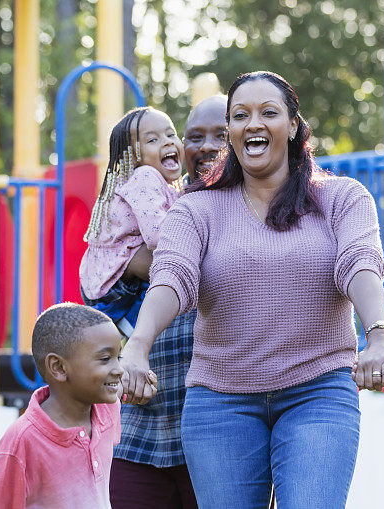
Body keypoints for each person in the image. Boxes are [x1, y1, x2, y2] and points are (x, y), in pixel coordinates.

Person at [120, 71, 384, 508]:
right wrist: (137, 345)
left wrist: (378, 335)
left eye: (268, 112)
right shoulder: (196, 209)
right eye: (240, 115)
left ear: (292, 126)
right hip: (221, 400)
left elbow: (360, 263)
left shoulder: (342, 198)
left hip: (318, 390)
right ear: (230, 131)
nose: (253, 124)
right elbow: (172, 277)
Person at [109, 98, 228, 509]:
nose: (207, 146)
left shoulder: (252, 213)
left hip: (217, 437)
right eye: (195, 136)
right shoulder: (159, 205)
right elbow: (109, 268)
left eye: (222, 134)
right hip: (141, 428)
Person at [0, 303, 123, 508]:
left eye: (119, 357)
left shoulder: (107, 409)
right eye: (106, 359)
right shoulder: (22, 441)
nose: (119, 369)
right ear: (59, 367)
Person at [79, 106, 184, 338]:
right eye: (153, 140)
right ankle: (134, 322)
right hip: (112, 277)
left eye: (171, 134)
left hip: (107, 277)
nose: (167, 142)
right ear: (134, 156)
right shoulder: (145, 176)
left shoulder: (164, 184)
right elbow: (158, 235)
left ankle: (131, 322)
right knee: (173, 264)